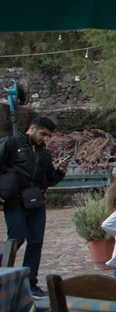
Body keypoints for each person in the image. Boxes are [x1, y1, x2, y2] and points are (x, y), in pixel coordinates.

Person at [0, 116, 68, 298]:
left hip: (36, 202)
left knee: (36, 242)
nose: (44, 138)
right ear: (31, 128)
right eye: (42, 134)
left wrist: (60, 170)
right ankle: (3, 280)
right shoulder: (11, 144)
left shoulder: (44, 153)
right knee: (15, 240)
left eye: (47, 136)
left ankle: (30, 285)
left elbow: (49, 179)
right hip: (15, 201)